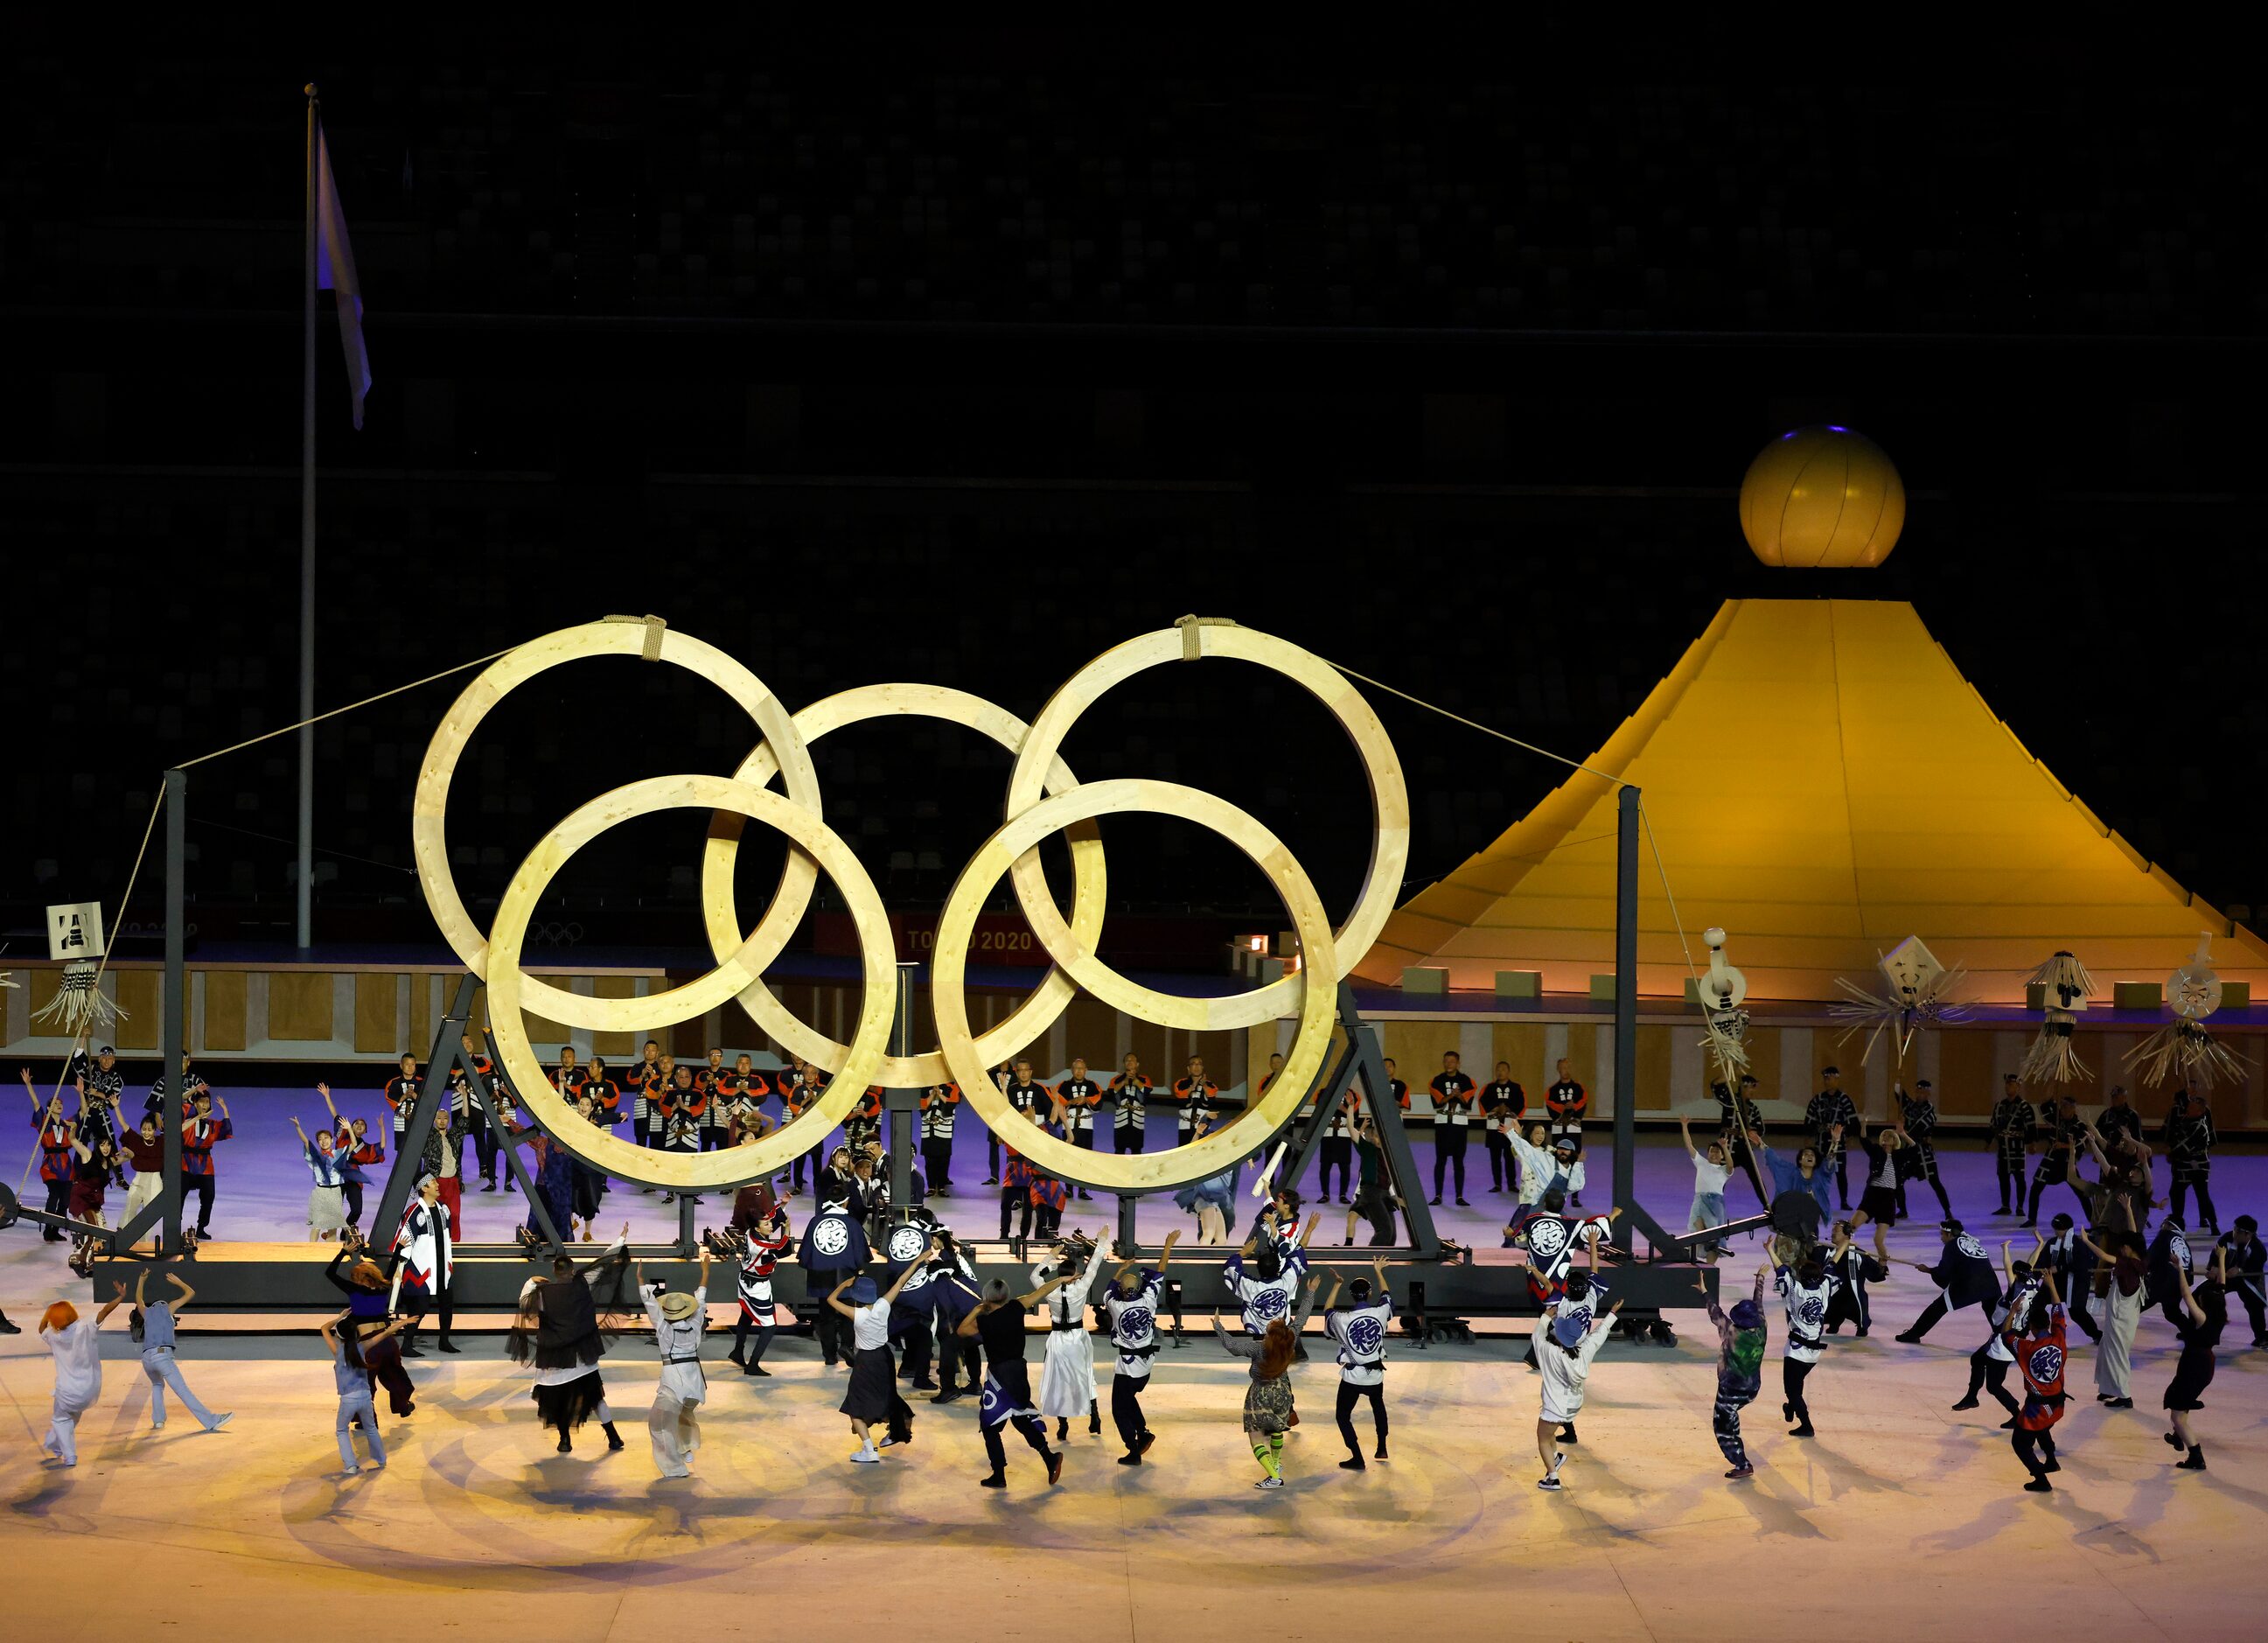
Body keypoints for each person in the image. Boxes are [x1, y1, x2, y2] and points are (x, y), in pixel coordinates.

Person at [506, 1228, 631, 1454]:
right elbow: (603, 1263)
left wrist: (531, 1281)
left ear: (554, 1271)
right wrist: (620, 1237)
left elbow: (524, 1303)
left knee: (559, 1403)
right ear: (572, 1271)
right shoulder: (582, 1284)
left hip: (555, 1361)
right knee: (597, 1398)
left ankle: (565, 1440)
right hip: (582, 1357)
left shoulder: (543, 1293)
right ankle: (613, 1437)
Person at [960, 1269, 1071, 1486]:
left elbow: (962, 1330)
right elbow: (1042, 1290)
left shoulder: (985, 1322)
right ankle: (1049, 1457)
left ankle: (999, 1475)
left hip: (1000, 1377)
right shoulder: (1016, 1307)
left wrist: (976, 1310)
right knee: (1020, 1420)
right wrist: (1062, 1279)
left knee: (990, 1426)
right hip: (1019, 1372)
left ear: (987, 1297)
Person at [1532, 1234, 1622, 1490]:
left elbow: (1539, 1334)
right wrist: (1612, 1313)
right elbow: (1600, 1334)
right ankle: (1559, 1450)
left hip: (1556, 1405)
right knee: (1550, 1434)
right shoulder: (1585, 1347)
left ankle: (1553, 1476)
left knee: (1542, 1438)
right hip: (1574, 1403)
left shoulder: (1550, 1351)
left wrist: (1535, 1272)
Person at [1099, 1230, 1180, 1463]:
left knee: (1118, 1408)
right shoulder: (1149, 1299)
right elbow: (1160, 1273)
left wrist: (1120, 1270)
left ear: (1123, 1292)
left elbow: (1109, 1290)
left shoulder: (1115, 1306)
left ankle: (1133, 1449)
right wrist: (1167, 1245)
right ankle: (1143, 1432)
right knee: (1129, 1399)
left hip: (1127, 1368)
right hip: (1146, 1365)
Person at [124, 1269, 231, 1433]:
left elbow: (138, 1300)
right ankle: (211, 1420)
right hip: (162, 1356)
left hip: (146, 1359)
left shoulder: (147, 1312)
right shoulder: (169, 1308)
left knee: (157, 1385)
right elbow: (190, 1293)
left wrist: (141, 1280)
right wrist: (178, 1282)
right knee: (183, 1390)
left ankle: (159, 1421)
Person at [638, 1248, 712, 1479]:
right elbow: (701, 1299)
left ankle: (675, 1467)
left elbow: (650, 1306)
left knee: (659, 1425)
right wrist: (705, 1273)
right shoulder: (696, 1323)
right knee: (684, 1415)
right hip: (695, 1384)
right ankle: (686, 1448)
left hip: (674, 1384)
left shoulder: (665, 1330)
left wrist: (640, 1280)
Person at [326, 1235, 415, 1416]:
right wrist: (398, 1248)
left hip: (369, 1344)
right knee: (396, 1374)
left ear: (358, 1279)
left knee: (365, 1382)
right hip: (387, 1341)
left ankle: (365, 1418)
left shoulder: (355, 1289)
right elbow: (391, 1270)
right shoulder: (383, 1288)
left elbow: (330, 1273)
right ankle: (402, 1405)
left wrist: (343, 1252)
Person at [1950, 1242, 2038, 1423]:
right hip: (2006, 1337)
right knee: (1976, 1359)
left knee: (1994, 1386)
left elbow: (2007, 1267)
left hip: (2003, 1342)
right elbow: (2031, 1264)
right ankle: (1971, 1397)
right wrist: (2041, 1245)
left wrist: (2005, 1249)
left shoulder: (2016, 1289)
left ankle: (2017, 1414)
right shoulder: (2032, 1284)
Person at [1213, 1310, 1300, 1490]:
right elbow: (1302, 1318)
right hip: (1282, 1392)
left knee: (1256, 1438)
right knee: (1277, 1429)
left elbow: (1233, 1346)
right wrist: (1311, 1292)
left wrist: (1218, 1326)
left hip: (1260, 1394)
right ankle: (1275, 1463)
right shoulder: (1289, 1342)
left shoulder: (1259, 1347)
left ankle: (1274, 1477)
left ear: (1269, 1334)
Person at [1322, 1256, 1395, 1470]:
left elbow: (1327, 1311)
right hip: (1375, 1375)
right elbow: (1387, 1296)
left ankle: (1357, 1457)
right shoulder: (1380, 1313)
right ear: (1369, 1293)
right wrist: (1379, 1271)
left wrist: (1336, 1284)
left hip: (1352, 1377)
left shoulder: (1341, 1319)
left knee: (1342, 1416)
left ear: (1351, 1296)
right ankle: (1382, 1447)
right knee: (1378, 1406)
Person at [39, 1291, 125, 1466]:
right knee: (70, 1417)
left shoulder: (52, 1335)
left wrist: (47, 1314)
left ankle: (69, 1455)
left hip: (68, 1392)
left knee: (61, 1419)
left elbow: (41, 1329)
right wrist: (120, 1297)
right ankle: (55, 1444)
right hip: (90, 1389)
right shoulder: (85, 1327)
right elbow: (104, 1311)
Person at [1036, 1231, 1106, 1441]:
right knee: (1086, 1376)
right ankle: (1094, 1416)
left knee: (1059, 1382)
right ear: (1075, 1274)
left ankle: (1063, 1425)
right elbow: (1093, 1266)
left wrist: (1052, 1258)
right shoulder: (1081, 1288)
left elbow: (1035, 1276)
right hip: (1078, 1338)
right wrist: (1101, 1241)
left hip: (1058, 1340)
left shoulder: (1050, 1291)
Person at [2163, 1243, 2228, 1472]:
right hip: (2204, 1365)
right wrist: (2222, 1258)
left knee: (2177, 1414)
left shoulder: (2202, 1319)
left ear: (2203, 1305)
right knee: (2181, 1403)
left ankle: (2195, 1455)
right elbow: (2222, 1285)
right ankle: (2178, 1436)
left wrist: (2179, 1268)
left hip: (2194, 1365)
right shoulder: (2218, 1312)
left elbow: (2185, 1293)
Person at [2007, 1269, 2070, 1493]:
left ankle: (2041, 1479)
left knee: (2020, 1443)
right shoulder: (2060, 1340)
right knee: (2042, 1428)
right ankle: (2051, 1459)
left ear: (2032, 1328)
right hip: (2058, 1405)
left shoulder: (2027, 1348)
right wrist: (2051, 1285)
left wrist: (2014, 1311)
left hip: (2038, 1407)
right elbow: (2059, 1311)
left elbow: (2007, 1335)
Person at [1894, 1220, 2004, 1344]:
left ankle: (1914, 1334)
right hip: (1991, 1282)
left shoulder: (1951, 1246)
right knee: (1994, 1312)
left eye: (1942, 1234)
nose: (1941, 1238)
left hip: (1972, 1282)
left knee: (1938, 1307)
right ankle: (2006, 1340)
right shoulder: (1971, 1242)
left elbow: (1943, 1273)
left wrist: (1929, 1270)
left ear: (1950, 1234)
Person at [2078, 1205, 2146, 1407]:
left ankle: (2125, 1396)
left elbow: (2105, 1257)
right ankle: (2109, 1388)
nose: (2121, 1249)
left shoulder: (2128, 1265)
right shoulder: (2140, 1258)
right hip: (2122, 1317)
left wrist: (2086, 1241)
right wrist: (2128, 1210)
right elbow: (2134, 1234)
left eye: (2123, 1246)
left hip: (2121, 1319)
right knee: (2107, 1350)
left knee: (2117, 1355)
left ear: (2129, 1247)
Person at [1707, 1266, 1770, 1479]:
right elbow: (1758, 1303)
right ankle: (1736, 1439)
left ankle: (1742, 1464)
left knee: (1722, 1427)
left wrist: (1704, 1291)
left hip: (1730, 1390)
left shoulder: (1731, 1331)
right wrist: (1760, 1279)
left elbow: (1715, 1313)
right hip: (1752, 1388)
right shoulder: (1762, 1327)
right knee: (1731, 1417)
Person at [320, 1305, 399, 1474]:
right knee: (371, 1428)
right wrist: (403, 1323)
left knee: (341, 1430)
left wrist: (339, 1318)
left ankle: (350, 1465)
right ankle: (381, 1460)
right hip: (365, 1396)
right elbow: (384, 1334)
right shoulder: (362, 1347)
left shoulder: (337, 1351)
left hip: (348, 1399)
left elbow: (324, 1328)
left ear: (338, 1335)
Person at [799, 1187, 872, 1367]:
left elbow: (805, 1254)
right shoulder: (852, 1223)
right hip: (845, 1275)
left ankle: (829, 1355)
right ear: (845, 1202)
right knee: (848, 1314)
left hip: (821, 1275)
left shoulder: (815, 1221)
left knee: (826, 1316)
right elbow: (861, 1255)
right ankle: (847, 1347)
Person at [390, 1172, 459, 1356]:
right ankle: (406, 1344)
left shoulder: (444, 1209)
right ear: (424, 1188)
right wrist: (398, 1267)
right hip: (422, 1269)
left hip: (442, 1268)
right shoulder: (415, 1212)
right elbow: (405, 1240)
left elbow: (448, 1236)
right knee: (419, 1308)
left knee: (447, 1305)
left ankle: (444, 1341)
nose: (437, 1184)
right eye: (433, 1182)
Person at [1748, 1124, 1837, 1262]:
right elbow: (1775, 1160)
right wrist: (1760, 1143)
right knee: (1787, 1263)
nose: (1809, 1156)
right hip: (1790, 1226)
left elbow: (1830, 1162)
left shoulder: (1821, 1177)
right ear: (1800, 1160)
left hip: (1810, 1227)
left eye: (1812, 1155)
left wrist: (1835, 1142)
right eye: (1805, 1154)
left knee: (1809, 1265)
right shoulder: (1791, 1172)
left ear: (1815, 1161)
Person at [1775, 1241, 1837, 1438]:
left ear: (1801, 1277)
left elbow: (1782, 1269)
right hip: (1814, 1354)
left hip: (1795, 1352)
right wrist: (1843, 1245)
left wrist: (1769, 1250)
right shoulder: (1824, 1289)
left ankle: (1806, 1425)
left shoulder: (1797, 1292)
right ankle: (1791, 1407)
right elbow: (1832, 1265)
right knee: (1797, 1387)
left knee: (1792, 1391)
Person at [730, 1203, 792, 1374]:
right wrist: (787, 1230)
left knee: (747, 1314)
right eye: (766, 1224)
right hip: (756, 1286)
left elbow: (769, 1215)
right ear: (757, 1228)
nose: (771, 1225)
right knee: (770, 1326)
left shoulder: (750, 1232)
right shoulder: (762, 1247)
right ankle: (753, 1365)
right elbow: (783, 1250)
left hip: (746, 1280)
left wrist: (783, 1205)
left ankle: (737, 1352)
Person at [23, 1069, 78, 1240]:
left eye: (60, 1103)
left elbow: (83, 1111)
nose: (59, 1105)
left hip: (66, 1166)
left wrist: (82, 1094)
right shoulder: (44, 1122)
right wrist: (28, 1084)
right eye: (55, 1103)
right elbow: (36, 1104)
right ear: (49, 1108)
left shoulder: (67, 1123)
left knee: (65, 1200)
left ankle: (56, 1230)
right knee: (54, 1194)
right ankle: (48, 1230)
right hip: (51, 1165)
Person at [1845, 1121, 1909, 1260]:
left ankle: (1883, 1261)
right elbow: (1863, 1140)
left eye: (1888, 1136)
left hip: (1888, 1199)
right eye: (1883, 1135)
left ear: (1894, 1140)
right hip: (1872, 1195)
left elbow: (1915, 1148)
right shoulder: (1876, 1151)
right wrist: (1863, 1126)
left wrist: (1903, 1134)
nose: (1885, 1137)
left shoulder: (1899, 1156)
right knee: (1851, 1227)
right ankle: (1840, 1254)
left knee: (1878, 1240)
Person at [1894, 1080, 1955, 1221]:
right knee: (1898, 1180)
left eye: (1923, 1092)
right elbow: (1898, 1093)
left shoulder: (1930, 1112)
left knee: (1935, 1182)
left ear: (1928, 1093)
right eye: (1918, 1091)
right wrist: (1897, 1080)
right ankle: (1902, 1210)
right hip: (1909, 1151)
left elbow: (1918, 1130)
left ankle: (1947, 1211)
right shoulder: (1910, 1106)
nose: (1919, 1095)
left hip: (1923, 1151)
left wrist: (1903, 1132)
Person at [1172, 1119, 1240, 1244]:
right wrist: (1197, 1134)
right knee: (1208, 1233)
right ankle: (1198, 1261)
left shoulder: (1221, 1158)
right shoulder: (1200, 1159)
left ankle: (1215, 1261)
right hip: (1204, 1200)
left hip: (1213, 1201)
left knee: (1221, 1239)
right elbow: (1191, 1151)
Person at [2162, 1088, 2218, 1234]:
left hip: (2197, 1166)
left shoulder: (2200, 1127)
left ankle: (2213, 1223)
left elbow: (2185, 1145)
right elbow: (2176, 1137)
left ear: (2200, 1112)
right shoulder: (2185, 1120)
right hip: (2183, 1165)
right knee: (2176, 1192)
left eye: (2192, 1107)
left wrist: (2172, 1153)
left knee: (2202, 1195)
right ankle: (2178, 1220)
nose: (2188, 1108)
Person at [1678, 1115, 1734, 1262]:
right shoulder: (1701, 1163)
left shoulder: (1724, 1171)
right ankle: (1692, 1263)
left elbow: (1730, 1165)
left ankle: (1710, 1268)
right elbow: (1689, 1145)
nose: (1714, 1154)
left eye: (1718, 1152)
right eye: (1712, 1151)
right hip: (1699, 1200)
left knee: (1715, 1237)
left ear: (1722, 1155)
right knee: (1695, 1231)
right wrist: (1684, 1126)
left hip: (1715, 1203)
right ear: (1707, 1153)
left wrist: (1724, 1147)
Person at [2024, 1094, 2083, 1228]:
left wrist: (2063, 1145)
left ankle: (2094, 1220)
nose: (2062, 1109)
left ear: (2073, 1109)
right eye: (2061, 1106)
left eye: (2066, 1107)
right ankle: (2032, 1219)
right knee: (2036, 1187)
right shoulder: (2056, 1119)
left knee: (2081, 1193)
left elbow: (2080, 1145)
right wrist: (2051, 1079)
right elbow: (2045, 1104)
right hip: (2050, 1162)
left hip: (2067, 1164)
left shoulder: (2079, 1126)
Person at [179, 1086, 232, 1239]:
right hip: (186, 1162)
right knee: (178, 1197)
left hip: (205, 1166)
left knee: (209, 1197)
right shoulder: (187, 1116)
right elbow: (177, 1101)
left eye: (207, 1102)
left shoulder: (213, 1124)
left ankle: (201, 1228)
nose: (204, 1105)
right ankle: (175, 1227)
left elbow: (226, 1129)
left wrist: (225, 1110)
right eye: (201, 1102)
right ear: (194, 1103)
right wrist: (194, 1090)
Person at [290, 1113, 352, 1241]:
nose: (323, 1141)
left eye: (326, 1138)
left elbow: (353, 1145)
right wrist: (298, 1127)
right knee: (317, 1224)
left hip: (335, 1191)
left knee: (333, 1225)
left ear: (332, 1140)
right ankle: (312, 1253)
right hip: (320, 1191)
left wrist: (349, 1128)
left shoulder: (338, 1153)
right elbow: (306, 1142)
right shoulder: (315, 1157)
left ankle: (329, 1255)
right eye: (320, 1139)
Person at [1821, 1220, 1888, 1338]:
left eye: (1835, 1231)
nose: (1832, 1234)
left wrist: (1881, 1264)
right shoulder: (1827, 1251)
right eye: (1832, 1231)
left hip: (1852, 1294)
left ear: (1847, 1234)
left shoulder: (1858, 1254)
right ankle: (1834, 1324)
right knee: (1829, 1305)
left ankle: (1862, 1327)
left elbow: (1875, 1274)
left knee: (1858, 1310)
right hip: (1834, 1293)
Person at [1804, 1067, 1859, 1211]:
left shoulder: (1844, 1100)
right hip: (1821, 1143)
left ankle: (1844, 1201)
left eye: (1829, 1078)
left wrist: (1850, 1136)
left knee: (1841, 1173)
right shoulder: (1818, 1100)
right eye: (1825, 1079)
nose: (1827, 1082)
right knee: (1820, 1174)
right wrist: (1812, 1134)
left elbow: (1853, 1121)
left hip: (1838, 1143)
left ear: (1836, 1079)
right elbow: (1809, 1121)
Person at [1427, 1051, 1477, 1206]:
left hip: (1459, 1123)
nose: (1449, 1064)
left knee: (1458, 1161)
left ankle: (1459, 1196)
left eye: (1452, 1061)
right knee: (1440, 1160)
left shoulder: (1467, 1081)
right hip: (1442, 1123)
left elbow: (1468, 1105)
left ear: (1458, 1063)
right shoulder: (1436, 1081)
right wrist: (1452, 1096)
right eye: (1446, 1061)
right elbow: (1437, 1103)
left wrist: (1459, 1095)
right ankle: (1438, 1195)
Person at [1343, 1112, 1399, 1246]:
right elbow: (1350, 1128)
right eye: (1375, 1136)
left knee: (1391, 1235)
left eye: (1380, 1137)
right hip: (1371, 1193)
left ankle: (1383, 1262)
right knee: (1384, 1231)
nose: (1376, 1139)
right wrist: (1350, 1107)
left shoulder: (1390, 1153)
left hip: (1384, 1194)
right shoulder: (1368, 1149)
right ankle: (1370, 1261)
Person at [1055, 1058, 1102, 1198]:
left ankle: (1083, 1189)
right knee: (1068, 1156)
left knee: (1085, 1157)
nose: (1079, 1071)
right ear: (1072, 1070)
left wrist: (1086, 1100)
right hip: (1069, 1125)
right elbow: (1057, 1102)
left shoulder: (1093, 1086)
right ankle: (1068, 1188)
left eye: (1081, 1068)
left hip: (1086, 1126)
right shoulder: (1063, 1086)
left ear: (1086, 1070)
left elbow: (1099, 1104)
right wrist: (1070, 1102)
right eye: (1076, 1068)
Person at [2218, 1215, 2265, 1348]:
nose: (2234, 1233)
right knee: (2204, 1294)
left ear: (2248, 1234)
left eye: (2238, 1231)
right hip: (2225, 1275)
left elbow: (2255, 1268)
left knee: (2255, 1305)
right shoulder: (2227, 1239)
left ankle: (2261, 1336)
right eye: (2234, 1229)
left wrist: (2240, 1270)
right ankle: (2194, 1329)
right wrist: (2214, 1268)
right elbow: (2215, 1256)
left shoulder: (2259, 1250)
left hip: (2248, 1279)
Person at [1988, 1074, 2033, 1215]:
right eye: (2007, 1084)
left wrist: (2031, 1143)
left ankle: (2020, 1207)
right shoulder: (2000, 1105)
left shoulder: (2024, 1106)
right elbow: (1994, 1124)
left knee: (2019, 1177)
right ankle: (2005, 1206)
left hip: (2017, 1147)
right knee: (2003, 1176)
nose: (2008, 1087)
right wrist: (1989, 1141)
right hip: (2003, 1148)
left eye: (2012, 1085)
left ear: (2018, 1087)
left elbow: (2030, 1126)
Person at [1545, 1059, 1587, 1199]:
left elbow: (1582, 1103)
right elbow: (1550, 1105)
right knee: (1558, 1157)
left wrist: (1573, 1110)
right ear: (1558, 1069)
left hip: (1574, 1129)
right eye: (1562, 1068)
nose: (1565, 1070)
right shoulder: (1553, 1090)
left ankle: (1575, 1195)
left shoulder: (1579, 1088)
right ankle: (1557, 1190)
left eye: (1567, 1067)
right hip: (1559, 1129)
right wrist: (1563, 1111)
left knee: (1574, 1156)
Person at [1482, 1062, 1525, 1197]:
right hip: (1494, 1126)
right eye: (1498, 1069)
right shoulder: (1489, 1088)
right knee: (1495, 1156)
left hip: (1509, 1127)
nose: (1500, 1072)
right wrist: (1496, 1108)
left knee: (1509, 1155)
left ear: (1508, 1071)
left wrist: (1507, 1108)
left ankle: (1511, 1184)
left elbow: (1520, 1104)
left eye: (1503, 1069)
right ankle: (1497, 1183)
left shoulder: (1516, 1088)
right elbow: (1483, 1102)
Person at [1316, 1086, 1358, 1203]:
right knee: (1325, 1166)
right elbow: (1319, 1109)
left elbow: (1355, 1115)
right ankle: (1325, 1194)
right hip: (1328, 1132)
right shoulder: (1323, 1092)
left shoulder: (1352, 1094)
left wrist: (1342, 1108)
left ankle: (1343, 1194)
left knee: (1345, 1166)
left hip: (1344, 1133)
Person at [918, 1080, 960, 1193]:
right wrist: (932, 1095)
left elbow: (952, 1103)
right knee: (929, 1160)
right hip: (928, 1129)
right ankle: (931, 1187)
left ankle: (941, 1186)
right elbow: (921, 1106)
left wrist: (940, 1094)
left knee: (943, 1159)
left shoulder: (951, 1088)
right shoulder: (924, 1088)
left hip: (944, 1130)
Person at [1109, 1054, 1151, 1156]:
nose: (1129, 1062)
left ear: (1137, 1064)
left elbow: (1147, 1093)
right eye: (1127, 1061)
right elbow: (1112, 1093)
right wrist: (1124, 1082)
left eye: (1132, 1061)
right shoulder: (1116, 1079)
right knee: (1119, 1150)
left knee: (1136, 1150)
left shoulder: (1144, 1079)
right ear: (1124, 1064)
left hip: (1137, 1119)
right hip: (1121, 1119)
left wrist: (1136, 1082)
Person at [382, 1051, 421, 1142]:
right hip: (400, 1122)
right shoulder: (393, 1083)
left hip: (418, 1121)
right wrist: (404, 1096)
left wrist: (414, 1095)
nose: (410, 1067)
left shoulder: (422, 1082)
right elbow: (390, 1098)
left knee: (418, 1148)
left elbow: (428, 1101)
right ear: (401, 1065)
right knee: (401, 1150)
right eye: (407, 1064)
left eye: (412, 1064)